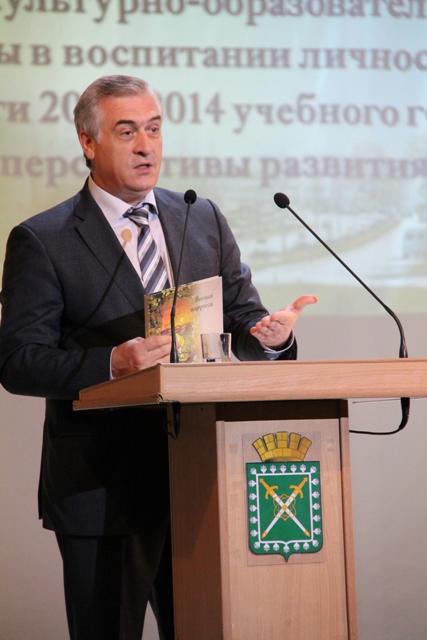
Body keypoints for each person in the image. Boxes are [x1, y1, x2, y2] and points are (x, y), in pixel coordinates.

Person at [0, 75, 317, 640]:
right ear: (88, 142)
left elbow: (242, 322)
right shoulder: (43, 238)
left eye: (154, 129)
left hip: (201, 477)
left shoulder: (201, 217)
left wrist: (269, 339)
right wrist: (111, 365)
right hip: (105, 487)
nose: (146, 146)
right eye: (127, 132)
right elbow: (20, 361)